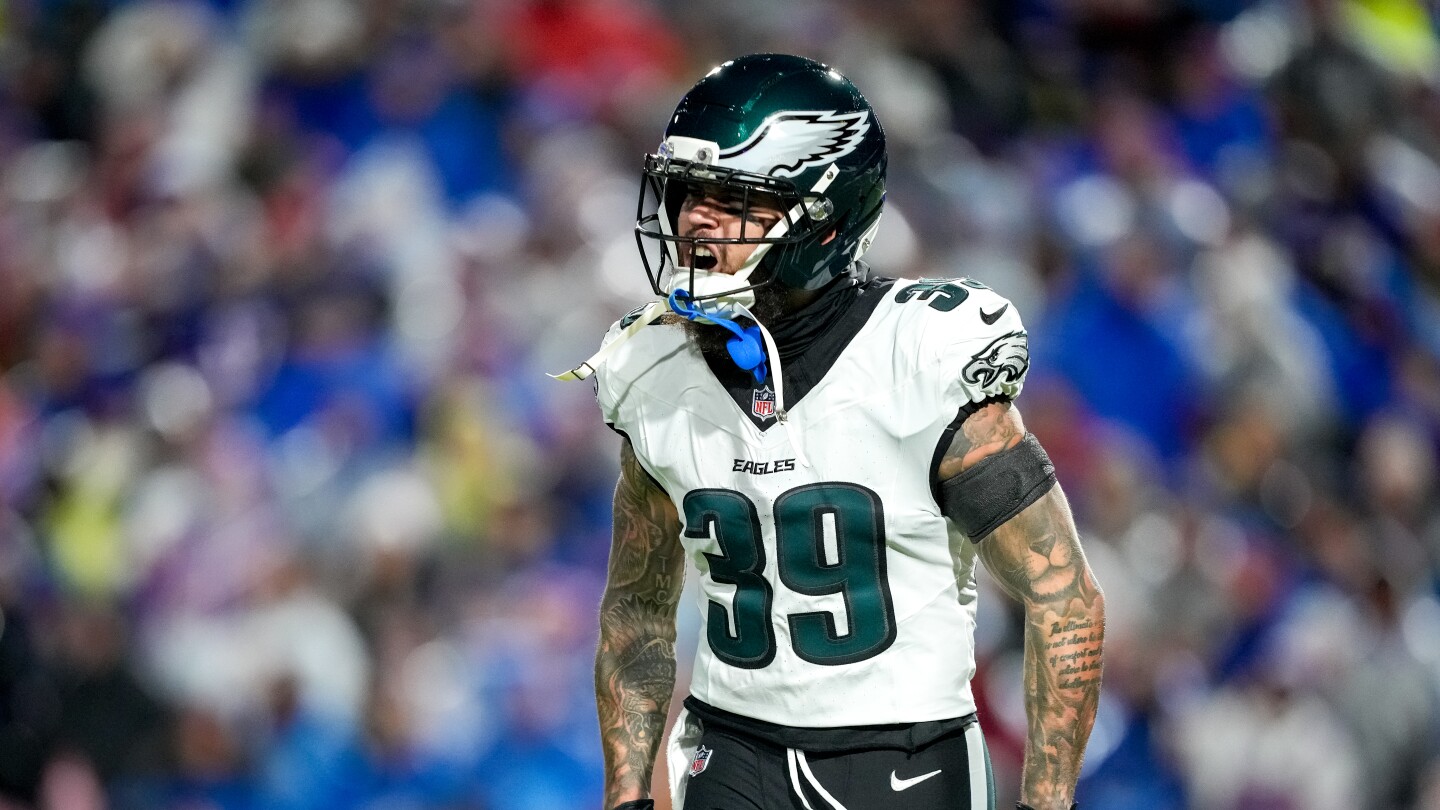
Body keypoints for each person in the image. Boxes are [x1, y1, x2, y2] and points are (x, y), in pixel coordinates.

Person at [558, 53, 1105, 810]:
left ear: (824, 215)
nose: (694, 221)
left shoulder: (917, 355)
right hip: (730, 753)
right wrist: (626, 794)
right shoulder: (655, 370)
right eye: (687, 193)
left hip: (903, 762)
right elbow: (638, 608)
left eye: (733, 197)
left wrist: (1047, 802)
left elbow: (1061, 596)